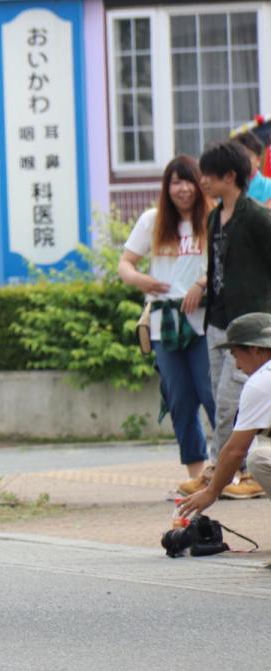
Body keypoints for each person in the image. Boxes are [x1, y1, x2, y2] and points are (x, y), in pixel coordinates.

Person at [117, 156, 216, 492]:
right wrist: (143, 281)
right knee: (179, 399)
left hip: (203, 323)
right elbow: (125, 264)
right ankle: (196, 476)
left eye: (188, 181)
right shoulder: (153, 221)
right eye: (175, 182)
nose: (183, 189)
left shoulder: (213, 217)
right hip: (164, 324)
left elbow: (227, 263)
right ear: (167, 187)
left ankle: (232, 471)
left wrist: (201, 284)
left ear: (200, 184)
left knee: (213, 394)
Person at [195, 140, 271, 499]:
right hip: (218, 319)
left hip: (250, 325)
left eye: (208, 174)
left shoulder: (257, 216)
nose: (203, 181)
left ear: (230, 175)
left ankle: (220, 472)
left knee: (230, 400)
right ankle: (229, 469)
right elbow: (215, 268)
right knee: (218, 398)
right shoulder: (213, 218)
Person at [178, 313, 271, 521]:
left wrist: (211, 491)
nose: (237, 365)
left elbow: (236, 450)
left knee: (259, 459)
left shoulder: (262, 381)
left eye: (236, 355)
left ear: (255, 349)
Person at [232, 131, 271, 207]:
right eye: (239, 156)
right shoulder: (224, 186)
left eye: (248, 156)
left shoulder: (268, 186)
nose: (243, 160)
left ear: (258, 160)